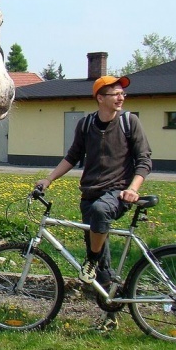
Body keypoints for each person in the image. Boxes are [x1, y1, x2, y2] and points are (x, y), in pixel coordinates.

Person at [35, 75, 152, 331]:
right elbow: (73, 156)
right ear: (100, 98)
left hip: (117, 194)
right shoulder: (86, 124)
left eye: (123, 93)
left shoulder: (129, 122)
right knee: (103, 265)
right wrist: (49, 179)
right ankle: (110, 315)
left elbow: (144, 160)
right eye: (115, 93)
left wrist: (132, 189)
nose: (121, 97)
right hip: (89, 195)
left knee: (100, 218)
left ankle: (89, 259)